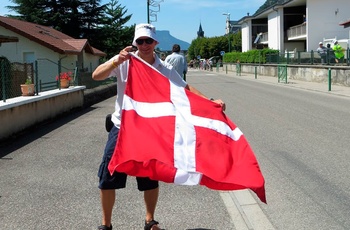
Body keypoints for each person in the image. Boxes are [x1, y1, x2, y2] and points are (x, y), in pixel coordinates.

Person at [92, 23, 225, 230]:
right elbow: (97, 75)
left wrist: (210, 101)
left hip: (149, 128)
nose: (144, 45)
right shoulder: (125, 62)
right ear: (135, 43)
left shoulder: (165, 68)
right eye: (140, 41)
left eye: (148, 41)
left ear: (155, 42)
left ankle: (149, 220)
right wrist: (116, 60)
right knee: (109, 174)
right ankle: (106, 224)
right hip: (123, 126)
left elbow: (186, 88)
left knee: (149, 176)